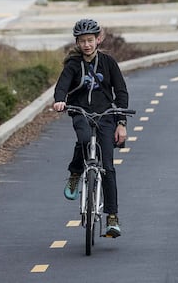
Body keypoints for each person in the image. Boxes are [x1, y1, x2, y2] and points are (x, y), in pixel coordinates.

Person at [53, 18, 129, 238]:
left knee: (108, 167)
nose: (86, 45)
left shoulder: (108, 62)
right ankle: (76, 172)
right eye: (82, 41)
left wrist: (121, 122)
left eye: (90, 40)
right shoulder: (73, 65)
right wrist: (60, 100)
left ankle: (112, 217)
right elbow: (62, 87)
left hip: (106, 116)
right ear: (77, 42)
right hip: (81, 112)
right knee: (84, 140)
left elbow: (121, 92)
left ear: (98, 39)